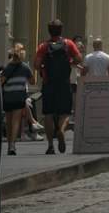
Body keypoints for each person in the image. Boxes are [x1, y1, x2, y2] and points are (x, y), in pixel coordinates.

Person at [34, 19, 83, 155]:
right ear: (61, 30)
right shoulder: (68, 43)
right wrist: (69, 63)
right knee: (65, 113)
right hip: (64, 83)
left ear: (49, 31)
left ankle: (50, 146)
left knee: (48, 114)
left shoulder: (44, 46)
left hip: (48, 84)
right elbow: (79, 58)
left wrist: (44, 66)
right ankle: (61, 130)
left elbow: (36, 64)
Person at [0, 44, 34, 156]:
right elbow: (32, 81)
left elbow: (1, 81)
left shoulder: (6, 67)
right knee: (16, 122)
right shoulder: (25, 67)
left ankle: (10, 144)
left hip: (7, 97)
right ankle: (12, 145)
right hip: (19, 97)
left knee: (9, 122)